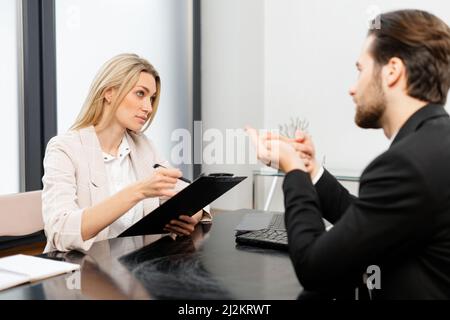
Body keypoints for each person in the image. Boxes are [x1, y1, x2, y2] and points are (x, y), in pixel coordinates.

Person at [247, 9, 450, 299]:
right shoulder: (435, 144)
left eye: (360, 69)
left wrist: (292, 169)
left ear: (392, 71)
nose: (352, 89)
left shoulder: (406, 163)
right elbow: (373, 222)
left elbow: (314, 267)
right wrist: (310, 169)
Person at [42, 53, 211, 253]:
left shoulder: (144, 146)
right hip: (78, 274)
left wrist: (193, 215)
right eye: (140, 93)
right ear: (109, 93)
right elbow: (61, 231)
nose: (148, 107)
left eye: (152, 98)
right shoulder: (64, 148)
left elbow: (186, 194)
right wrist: (137, 191)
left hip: (133, 268)